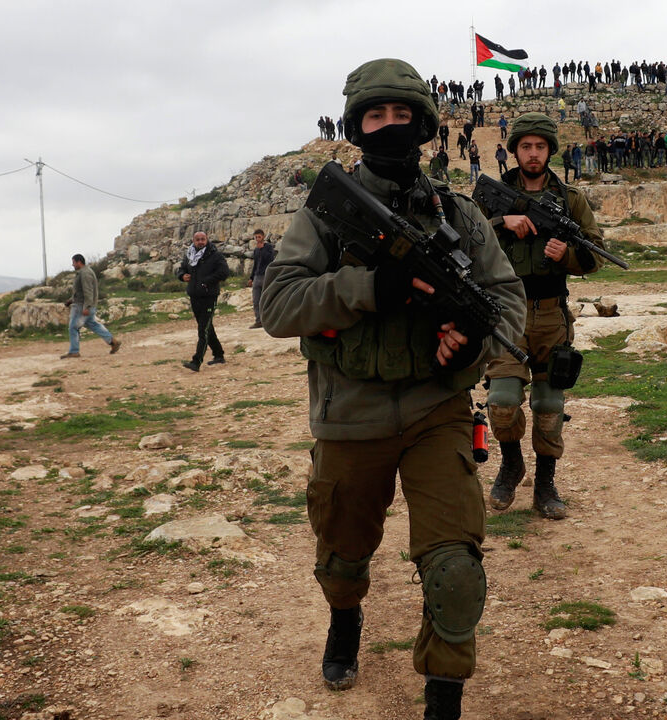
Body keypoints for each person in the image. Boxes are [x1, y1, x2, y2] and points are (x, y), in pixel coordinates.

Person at [260, 58, 525, 720]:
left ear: (424, 125)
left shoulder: (458, 214)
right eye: (375, 116)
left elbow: (506, 299)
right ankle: (345, 621)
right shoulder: (327, 214)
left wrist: (473, 338)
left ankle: (443, 699)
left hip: (437, 409)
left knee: (457, 567)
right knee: (342, 559)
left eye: (401, 115)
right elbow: (278, 305)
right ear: (355, 126)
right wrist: (370, 287)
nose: (388, 126)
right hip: (350, 413)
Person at [484, 112, 605, 521]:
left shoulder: (571, 200)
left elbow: (594, 255)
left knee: (550, 406)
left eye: (540, 146)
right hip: (506, 314)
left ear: (550, 151)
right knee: (501, 401)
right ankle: (511, 463)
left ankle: (545, 482)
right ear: (515, 150)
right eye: (525, 147)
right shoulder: (495, 194)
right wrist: (504, 220)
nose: (532, 154)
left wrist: (566, 255)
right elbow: (467, 238)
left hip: (552, 314)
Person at [177, 231, 230, 371]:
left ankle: (196, 361)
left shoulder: (215, 255)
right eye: (198, 239)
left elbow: (224, 272)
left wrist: (206, 282)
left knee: (203, 330)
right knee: (207, 327)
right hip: (194, 296)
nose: (200, 241)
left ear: (207, 240)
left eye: (203, 239)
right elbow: (181, 268)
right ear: (193, 241)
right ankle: (219, 354)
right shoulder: (189, 255)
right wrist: (182, 276)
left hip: (209, 296)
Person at [61, 254, 121, 359]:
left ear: (79, 262)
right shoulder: (84, 272)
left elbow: (88, 291)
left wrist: (86, 307)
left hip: (82, 307)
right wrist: (71, 300)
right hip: (83, 305)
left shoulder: (85, 273)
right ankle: (113, 342)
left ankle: (74, 351)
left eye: (73, 262)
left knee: (73, 327)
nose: (72, 265)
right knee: (94, 325)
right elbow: (80, 291)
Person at [248, 229, 276, 329]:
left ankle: (269, 320)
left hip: (266, 276)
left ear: (263, 237)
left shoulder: (268, 247)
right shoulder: (256, 250)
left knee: (267, 299)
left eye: (259, 237)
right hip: (257, 276)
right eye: (256, 237)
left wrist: (262, 249)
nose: (257, 239)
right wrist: (251, 277)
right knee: (256, 300)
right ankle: (258, 321)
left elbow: (270, 259)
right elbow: (255, 264)